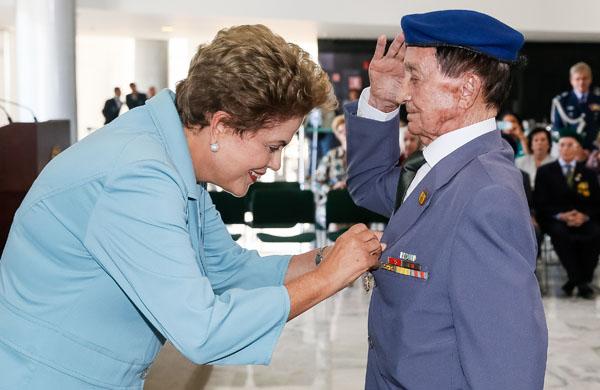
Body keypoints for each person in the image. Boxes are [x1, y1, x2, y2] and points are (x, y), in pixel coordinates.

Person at [0, 25, 384, 389]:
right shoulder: (139, 176)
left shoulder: (173, 160)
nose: (275, 165)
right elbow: (203, 331)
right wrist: (327, 279)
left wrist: (327, 258)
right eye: (273, 146)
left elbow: (228, 270)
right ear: (220, 126)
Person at [345, 10, 547, 389]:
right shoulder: (442, 165)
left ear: (466, 90)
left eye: (414, 77)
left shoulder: (487, 196)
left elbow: (508, 369)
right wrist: (382, 105)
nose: (404, 91)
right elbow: (369, 185)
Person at [534, 130, 600, 299]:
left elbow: (596, 203)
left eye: (570, 145)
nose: (565, 148)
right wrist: (561, 216)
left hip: (583, 218)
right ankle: (581, 281)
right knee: (560, 234)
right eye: (562, 145)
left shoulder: (589, 174)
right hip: (556, 219)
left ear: (578, 148)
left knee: (594, 233)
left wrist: (584, 216)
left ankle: (575, 280)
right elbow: (540, 203)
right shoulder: (545, 172)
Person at [551, 62, 600, 151]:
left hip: (593, 151)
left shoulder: (598, 100)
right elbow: (557, 129)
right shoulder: (561, 101)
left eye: (585, 78)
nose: (581, 82)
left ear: (590, 79)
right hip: (569, 151)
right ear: (571, 80)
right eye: (578, 79)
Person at [315, 114, 348, 193]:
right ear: (337, 135)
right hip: (336, 199)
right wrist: (332, 188)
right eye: (340, 131)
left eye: (346, 130)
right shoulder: (331, 155)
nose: (344, 134)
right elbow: (317, 182)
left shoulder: (361, 154)